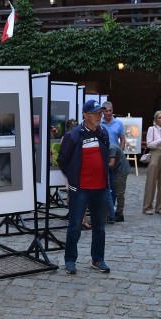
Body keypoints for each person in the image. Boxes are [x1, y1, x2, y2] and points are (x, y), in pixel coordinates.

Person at [58, 100, 111, 275]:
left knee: (100, 226)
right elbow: (62, 160)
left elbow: (106, 155)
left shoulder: (103, 133)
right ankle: (70, 260)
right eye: (95, 113)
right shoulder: (74, 135)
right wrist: (73, 179)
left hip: (100, 188)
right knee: (74, 226)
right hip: (80, 189)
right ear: (85, 115)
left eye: (100, 113)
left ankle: (98, 259)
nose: (99, 116)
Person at [142, 110, 161, 216]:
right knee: (151, 181)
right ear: (156, 119)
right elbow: (149, 144)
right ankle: (147, 206)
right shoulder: (152, 129)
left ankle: (160, 206)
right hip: (154, 154)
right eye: (159, 118)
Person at [100, 101, 124, 223]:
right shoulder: (99, 123)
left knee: (114, 184)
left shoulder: (118, 123)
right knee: (105, 183)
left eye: (110, 111)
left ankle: (112, 208)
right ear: (103, 111)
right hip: (104, 157)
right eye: (106, 111)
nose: (108, 113)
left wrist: (121, 151)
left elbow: (123, 138)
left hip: (116, 157)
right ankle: (106, 210)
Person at [109, 142, 131, 222]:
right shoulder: (110, 147)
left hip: (121, 171)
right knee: (116, 190)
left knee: (119, 193)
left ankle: (119, 214)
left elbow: (111, 164)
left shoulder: (112, 148)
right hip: (117, 170)